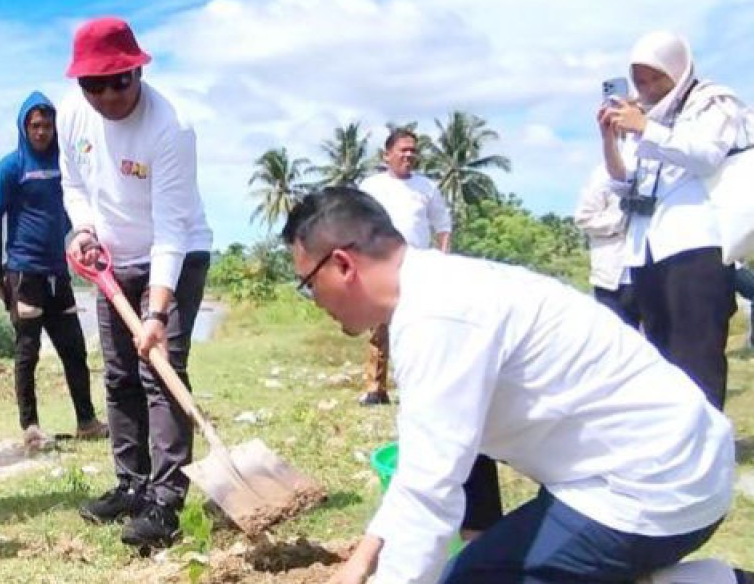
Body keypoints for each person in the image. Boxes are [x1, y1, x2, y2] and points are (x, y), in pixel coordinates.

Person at [282, 188, 743, 584]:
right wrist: (363, 560)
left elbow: (430, 494)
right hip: (661, 464)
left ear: (342, 264)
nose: (314, 301)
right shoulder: (442, 287)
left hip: (656, 488)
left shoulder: (437, 317)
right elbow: (423, 464)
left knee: (475, 579)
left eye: (308, 284)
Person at [59, 17, 213, 549]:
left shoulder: (170, 127)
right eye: (92, 84)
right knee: (121, 374)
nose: (106, 95)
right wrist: (82, 229)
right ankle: (132, 482)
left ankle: (166, 503)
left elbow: (171, 229)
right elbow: (74, 183)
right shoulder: (73, 116)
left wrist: (156, 313)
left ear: (137, 70)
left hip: (175, 255)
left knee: (161, 372)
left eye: (118, 80)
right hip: (112, 258)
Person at [598, 31, 745, 409]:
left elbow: (706, 154)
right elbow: (622, 183)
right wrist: (610, 139)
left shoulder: (713, 102)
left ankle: (708, 452)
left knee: (697, 355)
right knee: (660, 360)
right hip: (646, 249)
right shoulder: (643, 116)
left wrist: (647, 128)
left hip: (695, 244)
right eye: (640, 80)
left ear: (677, 72)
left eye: (655, 78)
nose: (647, 88)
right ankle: (676, 453)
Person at [0, 91, 106, 448]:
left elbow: (78, 205)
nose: (41, 132)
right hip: (24, 274)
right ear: (24, 127)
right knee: (28, 351)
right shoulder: (10, 167)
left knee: (74, 349)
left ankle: (86, 420)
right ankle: (31, 428)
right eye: (35, 125)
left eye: (47, 125)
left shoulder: (65, 166)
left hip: (58, 273)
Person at [356, 129, 451, 406]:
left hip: (418, 267)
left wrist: (443, 258)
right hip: (380, 265)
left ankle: (419, 387)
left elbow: (443, 225)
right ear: (387, 155)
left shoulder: (426, 187)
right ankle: (376, 388)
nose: (409, 155)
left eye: (413, 150)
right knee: (379, 328)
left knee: (421, 326)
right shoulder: (372, 186)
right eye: (402, 150)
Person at [574, 164, 641, 328]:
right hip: (612, 279)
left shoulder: (662, 171)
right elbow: (584, 218)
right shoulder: (602, 173)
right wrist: (624, 221)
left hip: (655, 275)